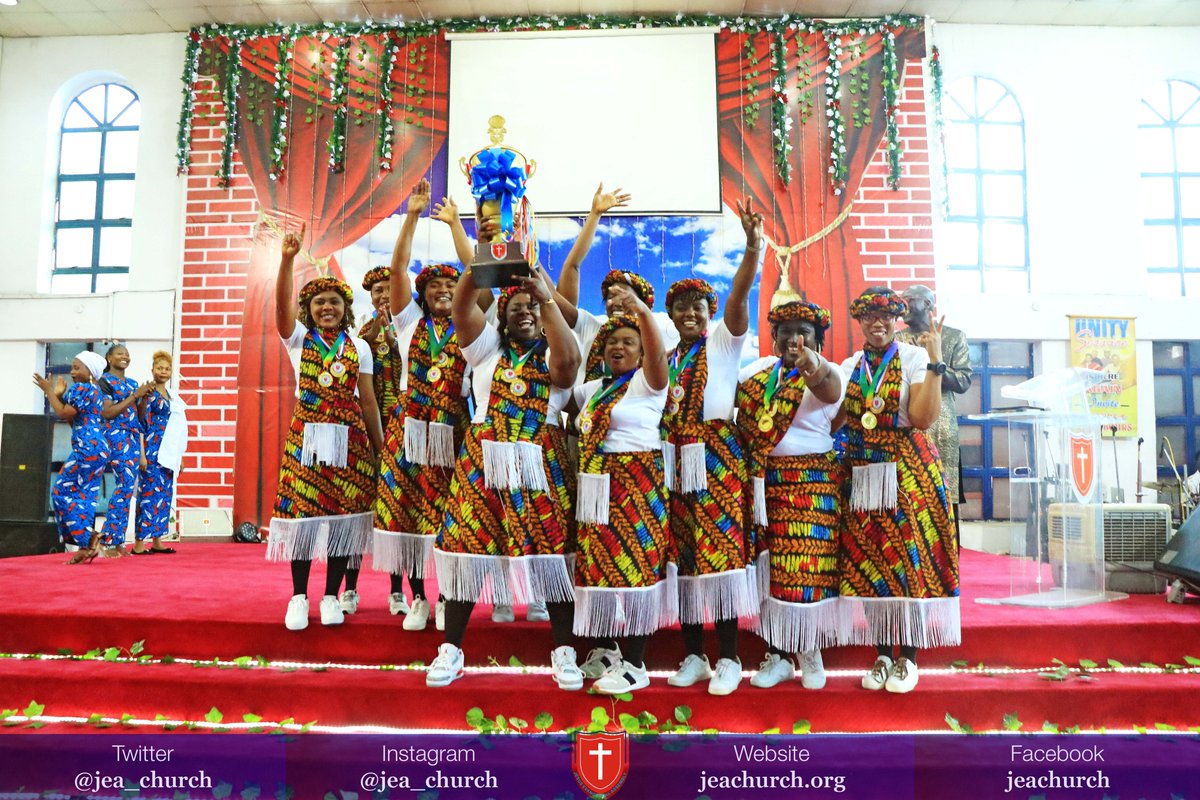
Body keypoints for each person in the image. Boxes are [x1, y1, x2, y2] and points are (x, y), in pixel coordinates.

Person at [428, 249, 582, 690]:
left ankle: (564, 652)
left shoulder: (554, 352)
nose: (526, 313)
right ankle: (451, 650)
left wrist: (544, 296)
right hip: (483, 461)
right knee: (466, 550)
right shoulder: (486, 350)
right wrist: (487, 260)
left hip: (541, 465)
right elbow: (461, 306)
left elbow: (569, 365)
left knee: (550, 556)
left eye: (531, 307)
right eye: (517, 308)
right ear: (503, 316)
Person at [837, 286, 960, 694]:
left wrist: (937, 359)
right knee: (872, 561)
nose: (877, 322)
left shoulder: (913, 357)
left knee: (910, 561)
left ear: (896, 319)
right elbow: (837, 418)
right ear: (859, 320)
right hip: (863, 472)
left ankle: (908, 658)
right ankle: (881, 656)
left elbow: (923, 418)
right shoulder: (851, 364)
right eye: (869, 315)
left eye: (885, 315)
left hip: (908, 468)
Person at [661, 199, 761, 696]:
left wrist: (752, 248)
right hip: (675, 459)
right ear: (671, 314)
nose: (688, 314)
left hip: (718, 456)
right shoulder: (664, 358)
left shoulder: (723, 344)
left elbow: (741, 296)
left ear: (709, 313)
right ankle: (695, 655)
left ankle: (729, 659)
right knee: (683, 558)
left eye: (697, 307)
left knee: (720, 557)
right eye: (680, 308)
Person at [268, 223, 385, 632]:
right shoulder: (299, 339)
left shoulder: (361, 347)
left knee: (341, 518)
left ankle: (333, 595)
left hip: (349, 438)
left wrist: (379, 446)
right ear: (310, 309)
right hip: (308, 438)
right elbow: (282, 310)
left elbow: (367, 399)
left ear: (345, 307)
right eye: (319, 302)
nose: (326, 307)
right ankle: (299, 597)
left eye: (333, 301)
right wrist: (286, 260)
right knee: (303, 519)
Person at [372, 180, 474, 632]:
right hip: (409, 430)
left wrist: (454, 224)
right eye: (434, 284)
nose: (442, 290)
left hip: (454, 430)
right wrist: (412, 216)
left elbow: (479, 273)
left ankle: (451, 599)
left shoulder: (472, 328)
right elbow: (396, 270)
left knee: (452, 517)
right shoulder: (410, 324)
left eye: (451, 284)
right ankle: (418, 600)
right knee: (409, 512)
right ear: (423, 293)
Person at [735, 301, 845, 691]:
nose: (794, 338)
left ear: (817, 339)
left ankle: (809, 649)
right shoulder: (756, 372)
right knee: (769, 570)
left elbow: (829, 391)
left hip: (811, 481)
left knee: (807, 568)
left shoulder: (828, 371)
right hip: (764, 483)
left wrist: (811, 365)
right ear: (774, 337)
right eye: (786, 331)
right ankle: (778, 655)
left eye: (804, 332)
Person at [572, 297, 674, 694]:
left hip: (637, 485)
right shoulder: (591, 391)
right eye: (613, 340)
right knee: (599, 568)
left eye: (630, 341)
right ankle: (607, 650)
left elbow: (656, 353)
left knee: (635, 570)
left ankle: (635, 664)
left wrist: (642, 314)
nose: (619, 346)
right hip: (597, 487)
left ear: (644, 350)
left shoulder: (649, 382)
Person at [552, 184, 680, 383]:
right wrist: (594, 215)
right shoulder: (592, 328)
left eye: (624, 295)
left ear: (642, 305)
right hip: (590, 412)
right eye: (611, 296)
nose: (616, 301)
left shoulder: (651, 341)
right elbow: (571, 268)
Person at [337, 262, 404, 614]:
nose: (383, 296)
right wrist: (379, 324)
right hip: (369, 431)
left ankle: (398, 591)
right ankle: (350, 589)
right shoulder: (362, 334)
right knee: (359, 510)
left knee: (397, 513)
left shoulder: (413, 329)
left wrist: (395, 334)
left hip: (405, 431)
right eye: (377, 291)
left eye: (388, 289)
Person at [897, 285, 972, 531]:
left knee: (943, 502)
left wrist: (935, 361)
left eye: (910, 300)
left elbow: (963, 382)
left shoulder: (953, 336)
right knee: (909, 498)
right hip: (908, 425)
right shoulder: (897, 340)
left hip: (941, 427)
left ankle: (947, 563)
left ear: (929, 304)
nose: (904, 305)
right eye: (903, 300)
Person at [34, 351, 110, 564]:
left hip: (86, 449)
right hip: (99, 449)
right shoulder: (95, 391)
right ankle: (86, 547)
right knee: (84, 497)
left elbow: (63, 414)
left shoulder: (81, 388)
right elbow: (72, 418)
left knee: (60, 492)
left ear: (91, 372)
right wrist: (58, 396)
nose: (72, 371)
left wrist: (49, 391)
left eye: (77, 367)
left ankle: (89, 538)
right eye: (72, 367)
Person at [98, 344, 154, 558]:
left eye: (127, 354)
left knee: (127, 488)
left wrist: (144, 399)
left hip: (131, 437)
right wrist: (134, 396)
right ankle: (107, 541)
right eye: (120, 353)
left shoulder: (131, 383)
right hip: (115, 436)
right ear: (109, 358)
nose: (125, 357)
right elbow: (107, 412)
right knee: (123, 487)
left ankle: (118, 541)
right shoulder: (105, 382)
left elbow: (139, 416)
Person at [132, 351, 189, 555]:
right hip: (151, 449)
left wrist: (179, 456)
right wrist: (141, 454)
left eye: (167, 369)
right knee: (147, 495)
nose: (163, 372)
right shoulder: (148, 393)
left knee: (164, 495)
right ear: (152, 369)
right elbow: (140, 423)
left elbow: (179, 427)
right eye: (160, 368)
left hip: (168, 451)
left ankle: (157, 540)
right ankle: (139, 543)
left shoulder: (172, 395)